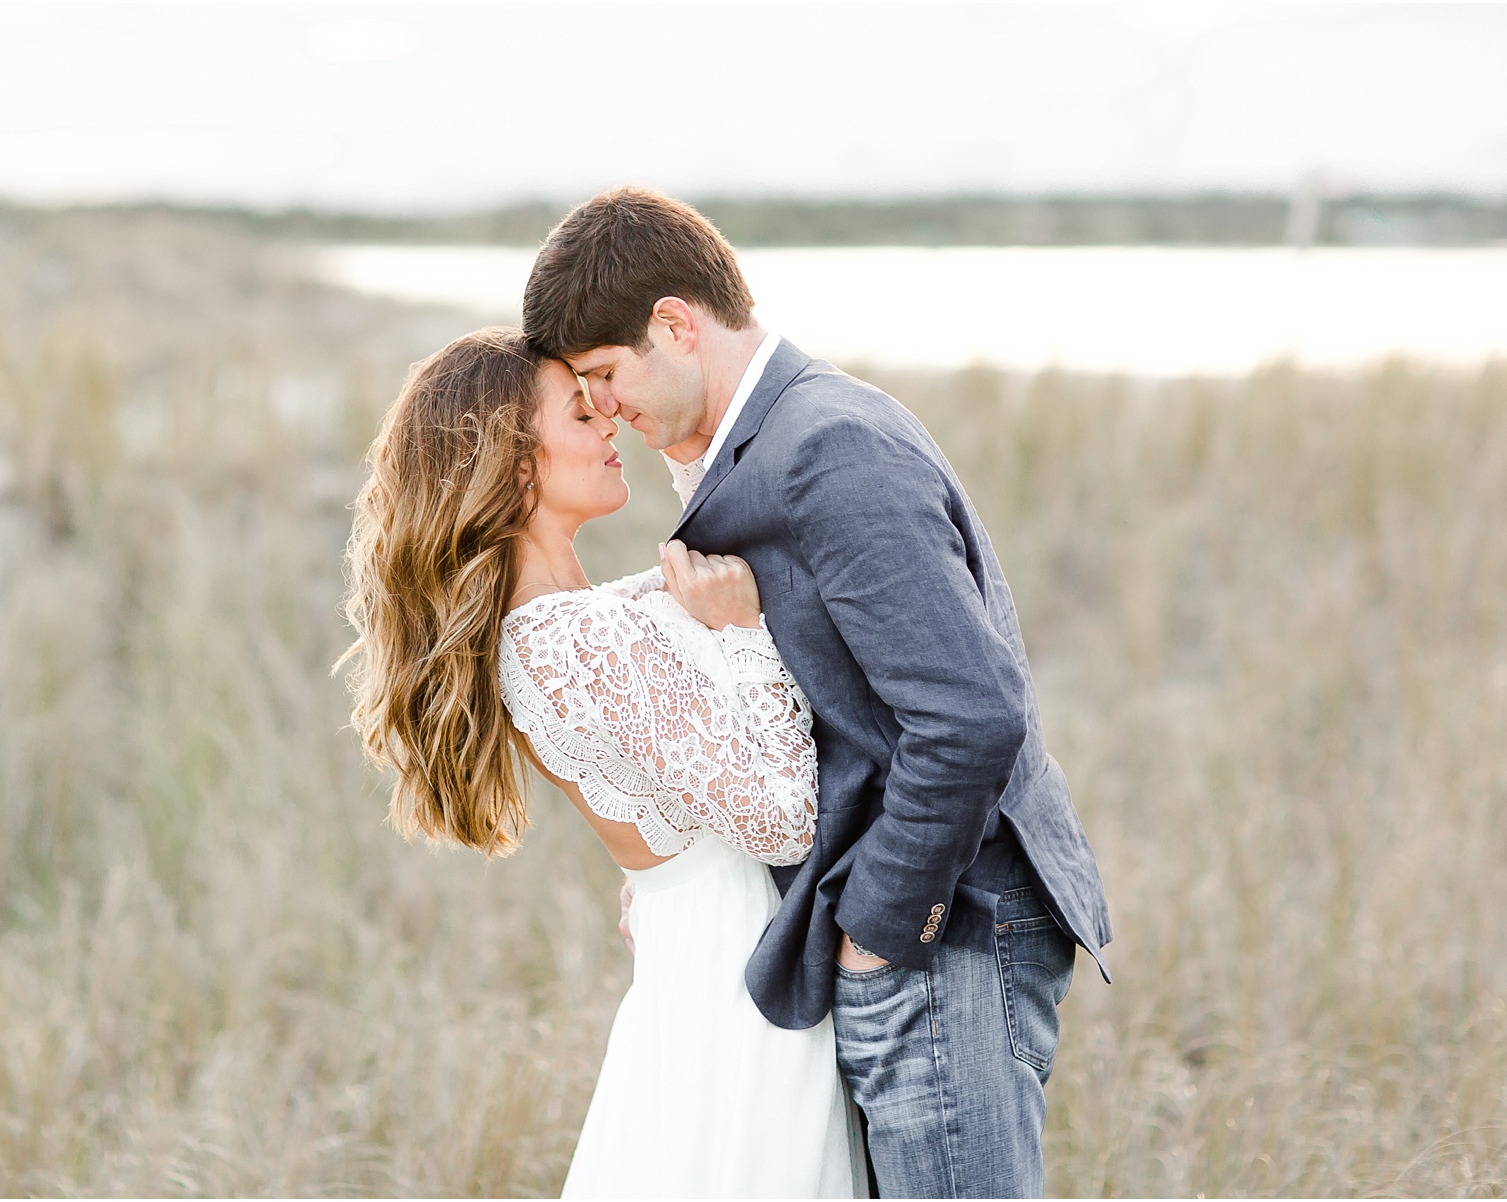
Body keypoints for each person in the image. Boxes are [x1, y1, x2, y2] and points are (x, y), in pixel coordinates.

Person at [521, 188, 1113, 1199]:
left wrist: (877, 929)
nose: (606, 405)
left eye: (606, 375)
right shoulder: (768, 441)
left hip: (948, 928)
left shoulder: (829, 444)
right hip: (913, 933)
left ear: (676, 324)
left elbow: (970, 713)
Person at [343, 328, 863, 1197]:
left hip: (705, 938)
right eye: (582, 413)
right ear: (514, 464)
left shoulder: (573, 618)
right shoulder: (562, 640)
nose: (611, 421)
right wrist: (742, 634)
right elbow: (783, 820)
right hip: (737, 966)